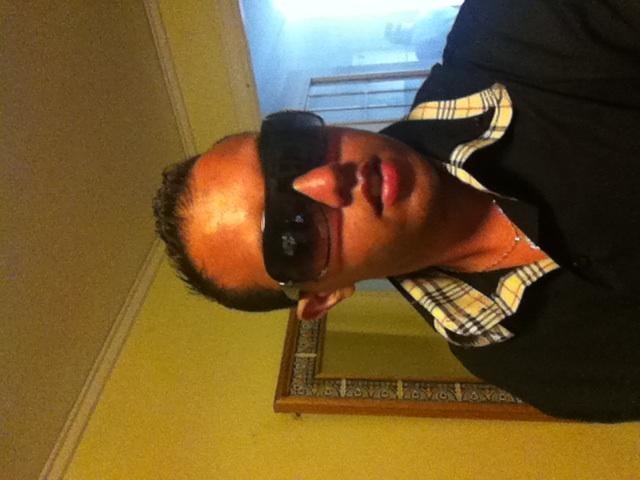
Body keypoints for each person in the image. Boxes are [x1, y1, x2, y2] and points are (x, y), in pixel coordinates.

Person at [153, 0, 640, 422]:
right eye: (292, 233)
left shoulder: (515, 27)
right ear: (323, 297)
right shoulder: (530, 366)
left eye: (289, 152)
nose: (328, 179)